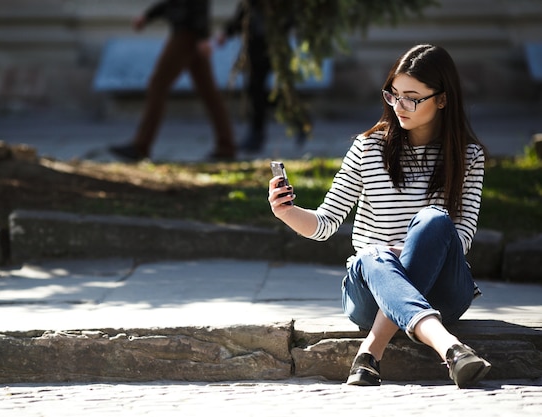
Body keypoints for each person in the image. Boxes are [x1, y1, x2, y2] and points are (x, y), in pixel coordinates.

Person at [267, 44, 491, 388]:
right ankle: (450, 347)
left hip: (444, 291)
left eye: (412, 98)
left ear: (442, 100)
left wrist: (405, 254)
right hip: (370, 292)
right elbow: (325, 223)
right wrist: (286, 212)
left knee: (433, 220)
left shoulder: (468, 156)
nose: (399, 106)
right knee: (372, 254)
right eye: (394, 95)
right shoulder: (368, 148)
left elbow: (459, 241)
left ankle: (371, 349)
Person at [109, 0, 236, 162]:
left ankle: (141, 145)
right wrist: (148, 16)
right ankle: (226, 145)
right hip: (188, 32)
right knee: (208, 92)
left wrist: (202, 36)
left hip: (187, 34)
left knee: (158, 85)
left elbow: (198, 5)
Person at [217, 0, 306, 154]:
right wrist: (227, 32)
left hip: (274, 47)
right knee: (256, 91)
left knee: (265, 92)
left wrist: (277, 31)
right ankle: (258, 134)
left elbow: (291, 18)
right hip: (255, 48)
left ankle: (297, 120)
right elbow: (243, 16)